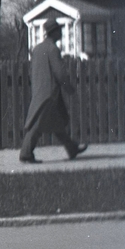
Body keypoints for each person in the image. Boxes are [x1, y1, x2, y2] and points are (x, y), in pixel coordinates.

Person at [19, 16, 87, 164]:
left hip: (40, 90)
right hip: (50, 93)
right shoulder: (52, 49)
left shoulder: (37, 49)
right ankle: (25, 153)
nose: (61, 33)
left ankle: (72, 148)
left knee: (57, 123)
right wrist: (69, 88)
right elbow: (60, 72)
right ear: (53, 32)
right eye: (59, 31)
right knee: (37, 123)